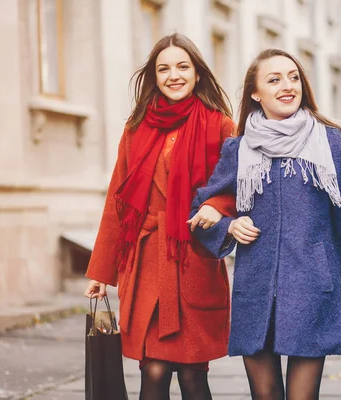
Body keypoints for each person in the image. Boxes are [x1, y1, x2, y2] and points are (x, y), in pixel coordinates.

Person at [188, 49, 341, 399]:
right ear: (256, 93)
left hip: (313, 289)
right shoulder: (239, 148)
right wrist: (227, 225)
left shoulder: (331, 142)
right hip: (255, 294)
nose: (287, 86)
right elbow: (202, 210)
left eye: (293, 77)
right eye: (274, 79)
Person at [83, 33, 237, 400]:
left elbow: (236, 188)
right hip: (145, 266)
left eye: (183, 66)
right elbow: (117, 203)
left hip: (192, 262)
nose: (174, 75)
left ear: (197, 73)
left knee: (191, 375)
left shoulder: (221, 125)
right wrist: (101, 273)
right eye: (163, 68)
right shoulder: (136, 128)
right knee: (151, 371)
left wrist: (217, 207)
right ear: (154, 76)